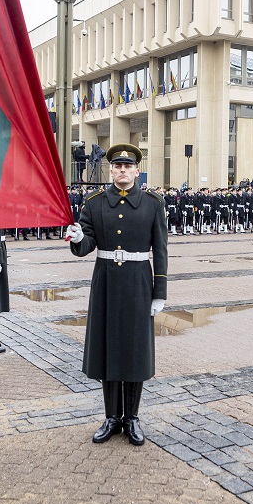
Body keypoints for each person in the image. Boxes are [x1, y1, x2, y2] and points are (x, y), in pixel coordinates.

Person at [65, 143, 167, 446]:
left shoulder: (153, 203)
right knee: (108, 348)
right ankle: (111, 417)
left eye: (128, 166)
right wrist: (79, 237)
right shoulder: (95, 202)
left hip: (138, 283)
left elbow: (160, 251)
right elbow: (85, 246)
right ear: (111, 170)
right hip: (106, 282)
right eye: (117, 167)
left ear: (137, 170)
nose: (122, 171)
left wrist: (159, 292)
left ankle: (131, 418)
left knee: (135, 350)